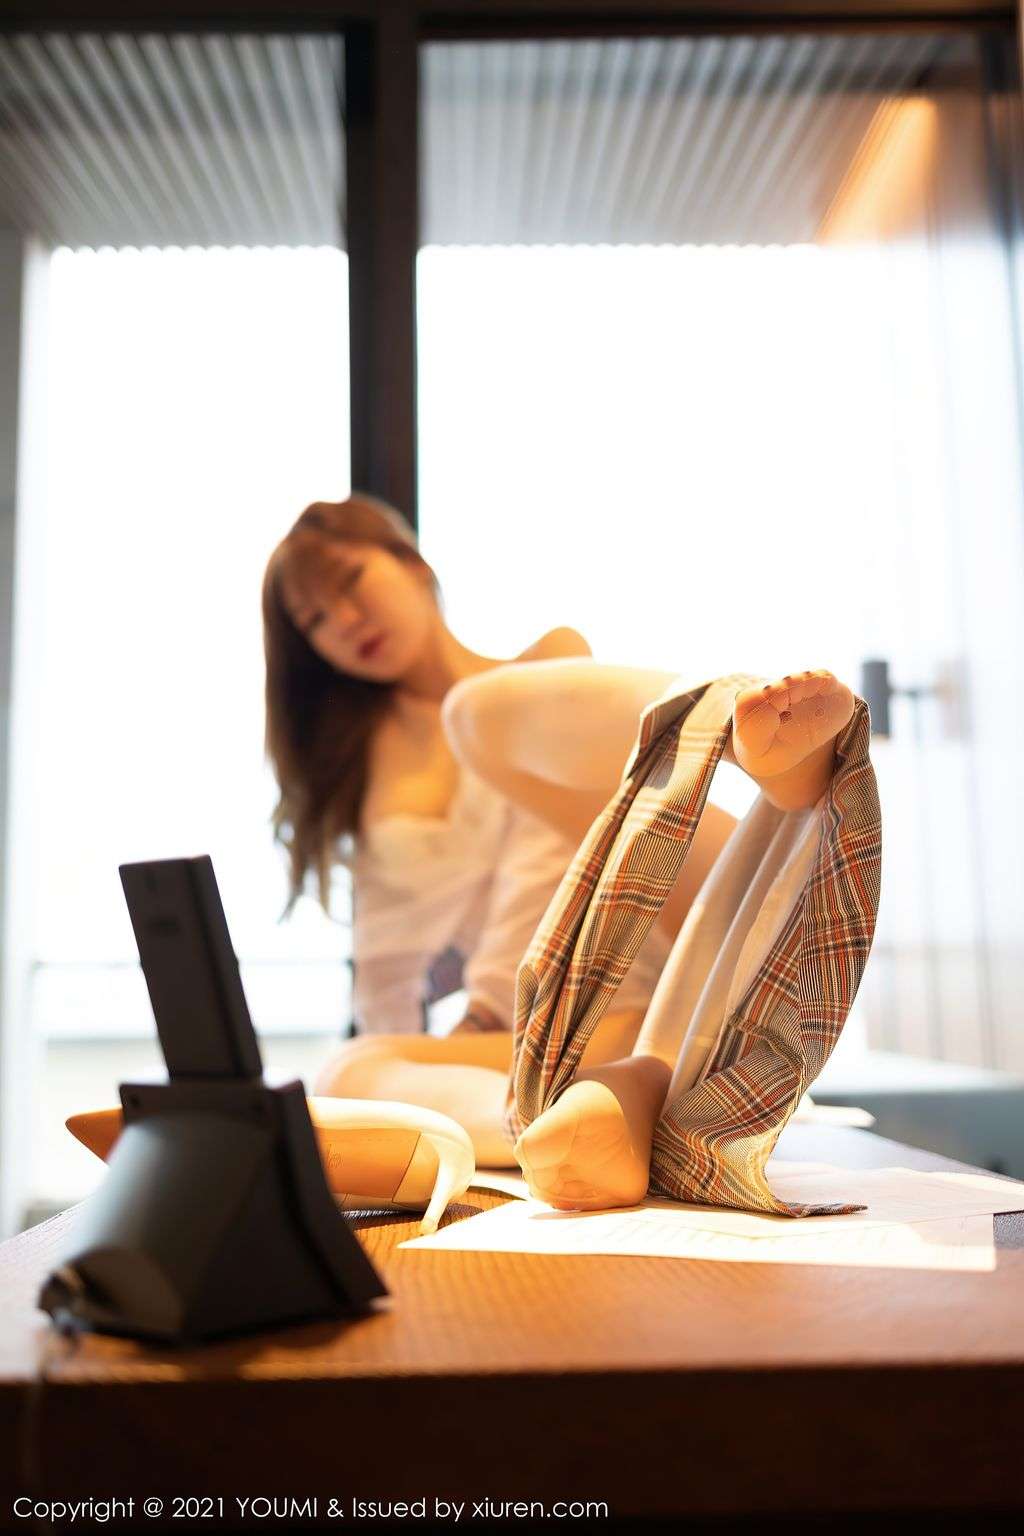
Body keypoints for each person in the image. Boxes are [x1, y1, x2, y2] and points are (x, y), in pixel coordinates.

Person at [263, 494, 851, 1171]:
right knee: (346, 1074)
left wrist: (490, 1004)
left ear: (412, 563)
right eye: (314, 620)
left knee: (476, 713)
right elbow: (386, 958)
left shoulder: (546, 664)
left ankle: (751, 742)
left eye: (349, 583)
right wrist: (423, 1063)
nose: (343, 621)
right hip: (601, 1028)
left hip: (683, 931)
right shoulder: (362, 763)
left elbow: (552, 856)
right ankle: (576, 1127)